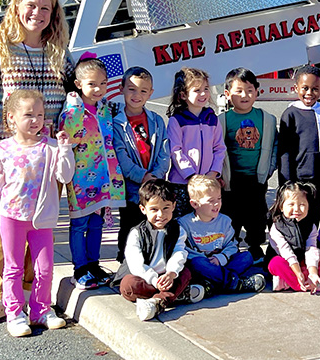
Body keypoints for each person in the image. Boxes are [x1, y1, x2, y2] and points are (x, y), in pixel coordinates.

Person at [0, 0, 73, 327]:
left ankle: (33, 301)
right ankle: (0, 299)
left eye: (46, 9)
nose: (37, 14)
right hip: (9, 159)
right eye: (31, 6)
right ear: (17, 7)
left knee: (39, 234)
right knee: (5, 237)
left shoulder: (59, 52)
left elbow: (77, 95)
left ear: (54, 15)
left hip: (46, 161)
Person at [0, 90, 74, 337]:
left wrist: (65, 149)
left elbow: (65, 175)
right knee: (13, 267)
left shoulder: (50, 147)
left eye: (39, 114)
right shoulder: (2, 148)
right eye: (28, 114)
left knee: (45, 268)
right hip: (11, 217)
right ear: (11, 118)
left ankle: (40, 310)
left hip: (41, 219)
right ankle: (15, 313)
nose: (35, 120)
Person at [59, 55, 125, 290]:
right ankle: (80, 268)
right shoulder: (73, 110)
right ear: (78, 84)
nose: (98, 89)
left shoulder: (105, 109)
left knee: (96, 223)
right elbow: (70, 136)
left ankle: (94, 264)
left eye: (103, 83)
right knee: (79, 224)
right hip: (80, 178)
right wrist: (77, 109)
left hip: (103, 178)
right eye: (92, 84)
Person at [112, 179, 203, 321]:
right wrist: (155, 280)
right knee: (128, 286)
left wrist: (171, 274)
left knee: (185, 272)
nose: (160, 215)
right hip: (145, 278)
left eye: (166, 208)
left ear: (173, 206)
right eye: (154, 209)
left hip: (168, 276)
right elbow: (136, 264)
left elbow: (179, 253)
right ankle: (177, 294)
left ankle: (156, 303)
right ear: (143, 209)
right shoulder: (137, 233)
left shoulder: (178, 230)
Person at [219, 67, 277, 263]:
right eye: (239, 91)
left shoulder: (267, 119)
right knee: (230, 217)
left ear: (257, 91)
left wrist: (269, 169)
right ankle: (231, 248)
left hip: (256, 178)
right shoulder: (222, 121)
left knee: (257, 217)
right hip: (231, 180)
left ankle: (255, 249)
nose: (245, 95)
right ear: (227, 94)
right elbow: (217, 149)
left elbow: (274, 145)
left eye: (250, 90)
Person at [112, 66, 170, 263]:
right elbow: (120, 154)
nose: (137, 95)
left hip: (153, 185)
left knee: (153, 225)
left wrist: (156, 175)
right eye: (132, 89)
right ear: (122, 89)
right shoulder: (116, 123)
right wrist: (141, 176)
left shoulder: (156, 120)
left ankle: (150, 261)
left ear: (151, 93)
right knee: (129, 226)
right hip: (131, 187)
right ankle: (125, 264)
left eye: (143, 91)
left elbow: (164, 151)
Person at [177, 175, 266, 294]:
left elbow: (232, 245)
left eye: (219, 199)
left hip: (222, 262)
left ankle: (213, 285)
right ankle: (235, 283)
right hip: (203, 264)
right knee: (197, 264)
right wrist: (208, 261)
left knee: (247, 257)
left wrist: (221, 258)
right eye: (211, 201)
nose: (216, 204)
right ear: (194, 204)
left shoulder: (225, 221)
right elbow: (184, 249)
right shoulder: (184, 223)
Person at [278, 64, 320, 224]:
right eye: (305, 88)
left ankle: (312, 243)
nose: (309, 93)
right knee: (295, 212)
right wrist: (287, 181)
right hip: (298, 176)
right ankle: (294, 245)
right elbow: (284, 150)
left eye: (315, 89)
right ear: (296, 88)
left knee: (314, 210)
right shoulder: (290, 114)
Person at [167, 67, 226, 218]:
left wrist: (213, 173)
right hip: (182, 184)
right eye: (197, 90)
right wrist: (191, 176)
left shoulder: (212, 119)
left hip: (208, 181)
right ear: (183, 94)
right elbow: (175, 151)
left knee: (204, 221)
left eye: (206, 89)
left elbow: (219, 148)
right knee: (182, 222)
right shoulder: (177, 120)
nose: (203, 94)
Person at [266, 181, 320, 292]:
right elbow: (286, 252)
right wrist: (298, 272)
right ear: (281, 206)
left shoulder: (310, 225)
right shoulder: (276, 227)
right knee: (275, 264)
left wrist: (313, 272)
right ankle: (312, 284)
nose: (297, 209)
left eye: (302, 204)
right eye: (291, 204)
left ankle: (288, 282)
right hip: (287, 262)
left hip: (304, 262)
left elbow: (311, 249)